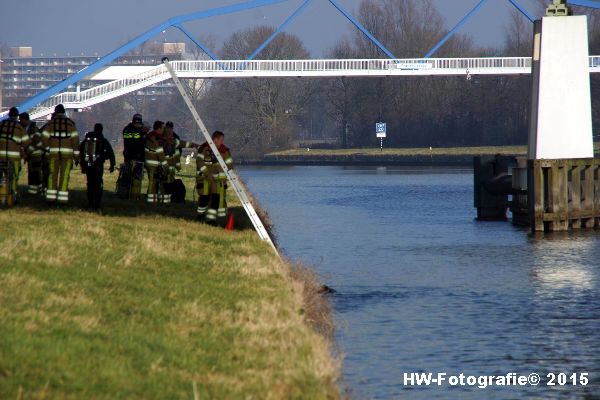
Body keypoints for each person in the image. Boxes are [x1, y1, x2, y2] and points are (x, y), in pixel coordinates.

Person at [41, 104, 79, 204]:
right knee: (64, 175)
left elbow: (44, 138)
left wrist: (48, 148)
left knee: (52, 175)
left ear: (56, 112)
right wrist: (76, 157)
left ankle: (50, 198)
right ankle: (62, 199)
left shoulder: (50, 124)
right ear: (64, 112)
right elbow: (75, 141)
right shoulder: (70, 124)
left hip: (53, 154)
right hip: (67, 155)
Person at [196, 131, 233, 223]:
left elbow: (230, 165)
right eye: (221, 140)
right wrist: (207, 174)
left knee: (215, 200)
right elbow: (199, 162)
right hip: (205, 180)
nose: (222, 142)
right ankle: (200, 216)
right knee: (204, 199)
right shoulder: (204, 148)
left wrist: (225, 180)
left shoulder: (225, 151)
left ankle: (211, 220)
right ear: (215, 139)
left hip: (217, 182)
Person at [79, 123, 115, 211]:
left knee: (90, 184)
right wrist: (112, 165)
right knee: (98, 185)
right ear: (101, 130)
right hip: (98, 165)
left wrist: (82, 164)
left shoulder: (87, 140)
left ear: (94, 129)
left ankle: (90, 203)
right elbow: (110, 153)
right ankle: (96, 204)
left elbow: (81, 150)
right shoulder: (103, 140)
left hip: (89, 165)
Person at [161, 121, 198, 203]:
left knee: (171, 184)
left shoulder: (174, 140)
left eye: (171, 133)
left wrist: (197, 146)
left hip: (171, 169)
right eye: (169, 134)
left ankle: (170, 201)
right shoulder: (160, 141)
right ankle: (165, 200)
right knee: (164, 185)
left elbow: (184, 144)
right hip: (163, 169)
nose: (171, 136)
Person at [0, 107, 29, 201]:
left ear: (8, 115)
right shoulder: (19, 127)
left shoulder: (1, 124)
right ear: (17, 116)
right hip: (14, 158)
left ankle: (1, 195)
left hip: (1, 157)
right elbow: (26, 142)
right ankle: (12, 196)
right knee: (13, 177)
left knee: (1, 177)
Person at [121, 113, 147, 199]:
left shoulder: (126, 129)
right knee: (136, 177)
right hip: (137, 157)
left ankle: (126, 193)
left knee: (127, 177)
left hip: (128, 156)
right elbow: (140, 143)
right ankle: (133, 195)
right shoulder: (140, 132)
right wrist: (143, 133)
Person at [20, 112, 44, 195]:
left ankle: (39, 189)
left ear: (25, 120)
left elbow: (35, 142)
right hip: (31, 155)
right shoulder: (27, 128)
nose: (20, 122)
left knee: (36, 173)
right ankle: (33, 191)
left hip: (36, 154)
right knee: (32, 173)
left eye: (21, 120)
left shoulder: (34, 129)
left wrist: (27, 153)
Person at [144, 121, 167, 204]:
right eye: (163, 128)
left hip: (150, 163)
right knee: (152, 183)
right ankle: (150, 201)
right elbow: (160, 152)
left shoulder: (150, 136)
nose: (164, 130)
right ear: (159, 128)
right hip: (153, 164)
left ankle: (152, 199)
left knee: (153, 182)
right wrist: (165, 165)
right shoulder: (156, 138)